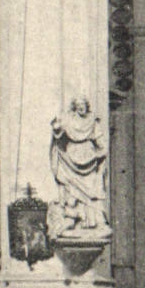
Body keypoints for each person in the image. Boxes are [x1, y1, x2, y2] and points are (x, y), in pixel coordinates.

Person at [49, 96, 108, 232]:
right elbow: (59, 133)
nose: (81, 107)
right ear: (74, 107)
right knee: (72, 188)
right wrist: (56, 128)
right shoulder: (69, 120)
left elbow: (101, 142)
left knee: (91, 190)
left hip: (89, 158)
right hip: (71, 158)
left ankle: (92, 221)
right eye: (78, 105)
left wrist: (100, 152)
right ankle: (73, 217)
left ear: (87, 106)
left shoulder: (93, 122)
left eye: (83, 105)